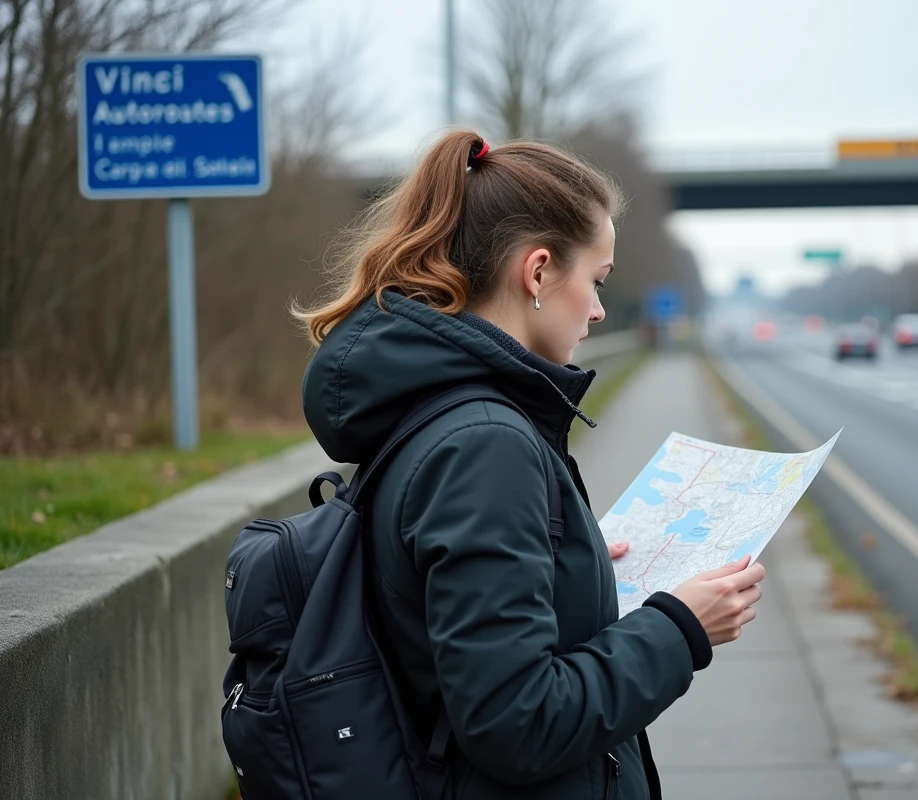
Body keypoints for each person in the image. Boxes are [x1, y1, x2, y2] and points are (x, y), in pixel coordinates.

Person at [295, 130, 766, 800]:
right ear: (538, 271)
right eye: (596, 280)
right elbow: (516, 722)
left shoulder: (436, 410)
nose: (601, 309)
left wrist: (563, 558)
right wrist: (680, 628)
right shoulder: (484, 444)